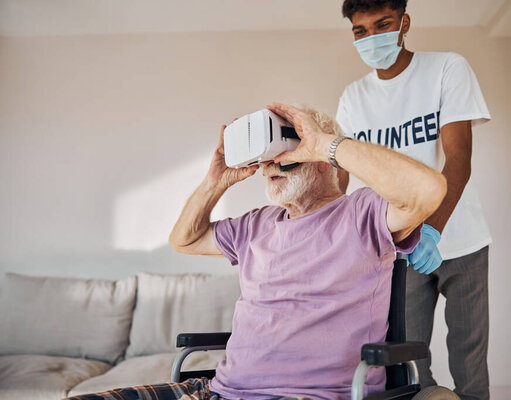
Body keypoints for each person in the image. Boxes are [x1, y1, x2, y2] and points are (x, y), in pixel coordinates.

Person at [66, 104, 446, 400]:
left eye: (283, 151)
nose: (268, 166)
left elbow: (427, 190)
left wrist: (327, 144)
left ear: (317, 162)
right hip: (219, 392)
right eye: (265, 159)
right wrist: (214, 182)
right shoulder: (256, 224)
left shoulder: (361, 212)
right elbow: (184, 239)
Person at [336, 1, 492, 399]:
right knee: (408, 365)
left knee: (469, 362)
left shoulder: (447, 68)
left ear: (404, 23)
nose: (372, 37)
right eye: (361, 30)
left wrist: (432, 231)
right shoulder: (353, 98)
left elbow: (458, 159)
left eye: (383, 25)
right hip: (399, 250)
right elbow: (343, 184)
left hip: (460, 239)